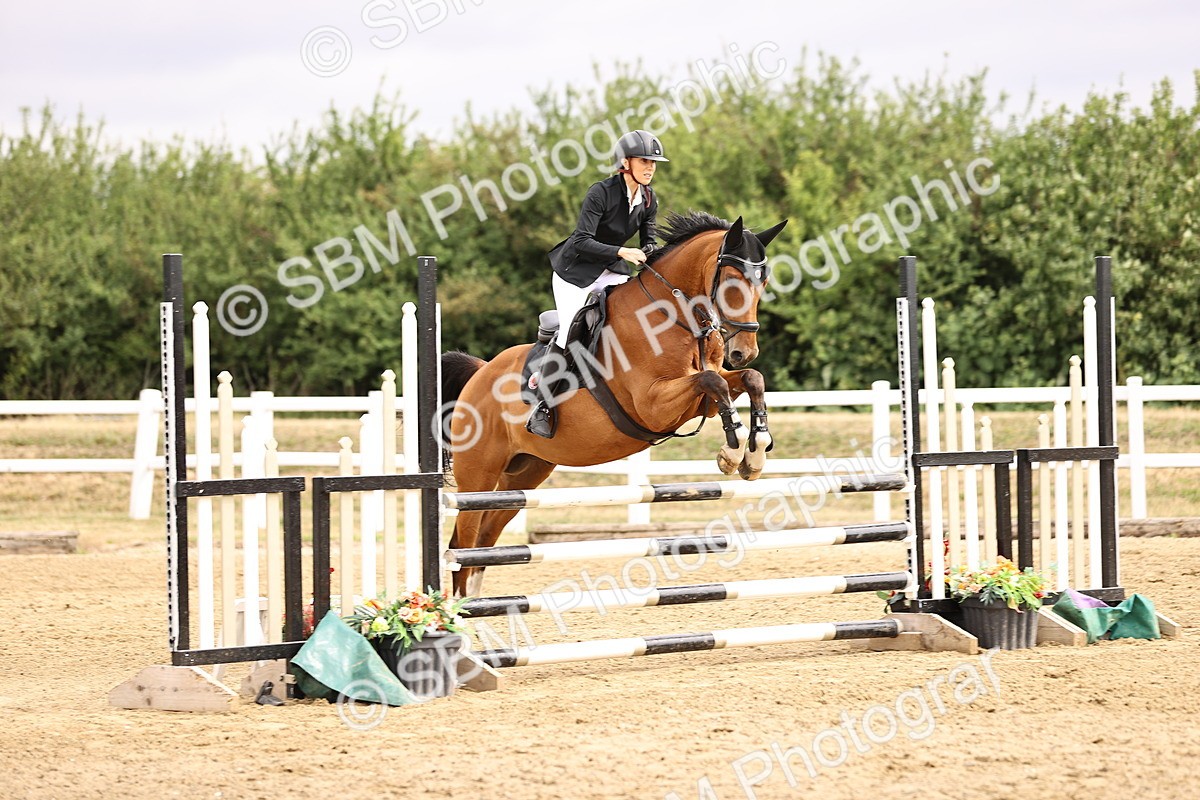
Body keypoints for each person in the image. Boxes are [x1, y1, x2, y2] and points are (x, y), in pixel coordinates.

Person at [525, 129, 668, 438]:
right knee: (570, 332)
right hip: (574, 271)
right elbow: (581, 240)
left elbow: (649, 242)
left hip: (612, 269)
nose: (651, 167)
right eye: (645, 160)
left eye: (654, 162)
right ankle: (542, 406)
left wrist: (655, 256)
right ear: (625, 162)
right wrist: (621, 250)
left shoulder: (648, 199)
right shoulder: (601, 193)